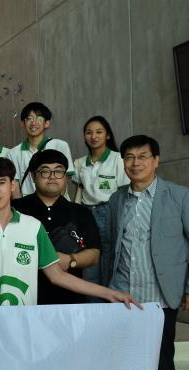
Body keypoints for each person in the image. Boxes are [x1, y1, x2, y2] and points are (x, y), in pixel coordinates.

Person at [102, 135, 189, 370]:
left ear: (156, 160)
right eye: (129, 157)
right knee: (121, 361)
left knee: (161, 363)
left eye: (142, 156)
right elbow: (110, 246)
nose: (135, 163)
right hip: (121, 297)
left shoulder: (179, 196)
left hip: (160, 299)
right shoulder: (117, 200)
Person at [0, 157, 136, 309]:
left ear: (12, 186)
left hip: (26, 320)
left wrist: (110, 293)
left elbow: (57, 276)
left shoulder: (33, 227)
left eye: (1, 183)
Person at [13, 150, 101, 305]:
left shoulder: (80, 212)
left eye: (58, 171)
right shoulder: (16, 209)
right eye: (45, 171)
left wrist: (70, 260)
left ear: (66, 178)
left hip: (71, 299)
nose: (52, 176)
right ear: (33, 176)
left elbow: (94, 253)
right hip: (24, 298)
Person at [71, 116, 127, 286]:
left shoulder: (118, 159)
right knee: (89, 260)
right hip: (86, 214)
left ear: (107, 135)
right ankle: (92, 299)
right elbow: (79, 191)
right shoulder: (79, 163)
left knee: (110, 259)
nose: (93, 136)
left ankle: (109, 299)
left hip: (109, 211)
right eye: (89, 132)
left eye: (99, 132)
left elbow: (123, 193)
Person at [7, 102, 75, 196]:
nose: (33, 123)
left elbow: (65, 179)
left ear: (47, 123)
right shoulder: (13, 153)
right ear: (23, 123)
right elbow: (15, 188)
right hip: (29, 203)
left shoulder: (60, 145)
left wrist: (56, 203)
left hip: (58, 201)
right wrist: (19, 205)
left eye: (39, 119)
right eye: (29, 119)